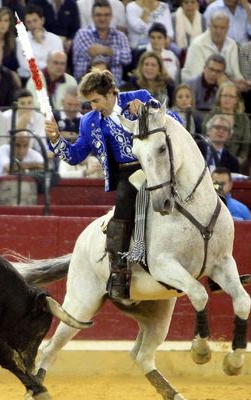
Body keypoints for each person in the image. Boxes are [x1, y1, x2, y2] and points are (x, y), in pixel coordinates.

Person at [44, 69, 166, 301]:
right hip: (128, 173)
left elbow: (174, 122)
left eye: (96, 100)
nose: (93, 107)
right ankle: (119, 270)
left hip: (158, 166)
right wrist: (55, 139)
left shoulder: (139, 97)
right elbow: (74, 156)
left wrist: (148, 112)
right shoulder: (89, 122)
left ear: (111, 93)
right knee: (124, 200)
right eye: (90, 102)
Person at [181, 11, 250, 94]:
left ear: (228, 28)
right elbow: (201, 76)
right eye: (215, 27)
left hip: (223, 84)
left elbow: (235, 72)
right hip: (197, 89)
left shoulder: (232, 44)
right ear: (209, 26)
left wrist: (240, 82)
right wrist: (229, 83)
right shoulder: (197, 44)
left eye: (222, 28)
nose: (218, 31)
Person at [72, 0, 132, 84]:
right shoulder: (82, 34)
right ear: (92, 17)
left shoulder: (120, 36)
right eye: (98, 15)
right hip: (86, 85)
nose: (102, 18)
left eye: (106, 15)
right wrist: (113, 54)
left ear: (111, 16)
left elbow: (127, 58)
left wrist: (105, 50)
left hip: (114, 87)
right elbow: (95, 58)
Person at [202, 81, 251, 162]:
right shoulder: (211, 115)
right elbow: (205, 136)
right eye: (225, 95)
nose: (227, 99)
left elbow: (246, 142)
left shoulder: (243, 118)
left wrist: (240, 159)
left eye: (231, 96)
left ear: (236, 100)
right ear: (219, 97)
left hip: (235, 160)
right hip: (211, 159)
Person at [15, 4, 63, 80]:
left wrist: (40, 42)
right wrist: (47, 67)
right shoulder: (20, 40)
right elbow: (26, 65)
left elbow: (58, 62)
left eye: (35, 20)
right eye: (29, 22)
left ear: (42, 20)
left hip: (52, 78)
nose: (32, 25)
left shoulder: (55, 39)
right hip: (28, 78)